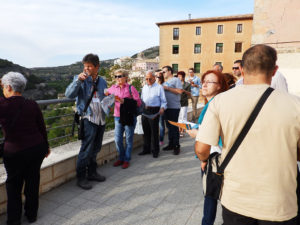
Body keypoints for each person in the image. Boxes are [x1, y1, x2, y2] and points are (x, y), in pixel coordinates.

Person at [195, 44, 300, 224]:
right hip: (279, 201)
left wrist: (204, 160)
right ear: (274, 71)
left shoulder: (220, 102)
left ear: (242, 70)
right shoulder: (295, 104)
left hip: (236, 199)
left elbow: (202, 148)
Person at [0, 72, 50, 225]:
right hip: (37, 148)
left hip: (14, 152)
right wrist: (46, 146)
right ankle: (31, 215)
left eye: (3, 86)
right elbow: (42, 127)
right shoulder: (32, 104)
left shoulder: (3, 105)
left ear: (8, 87)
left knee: (14, 186)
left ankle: (14, 220)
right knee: (32, 181)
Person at [186, 70, 228, 225]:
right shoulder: (211, 104)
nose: (204, 84)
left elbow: (218, 135)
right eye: (204, 80)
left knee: (210, 194)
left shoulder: (216, 105)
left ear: (219, 86)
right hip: (211, 155)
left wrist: (198, 134)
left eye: (210, 81)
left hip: (213, 157)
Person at [65, 53, 107, 190]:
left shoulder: (102, 81)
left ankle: (92, 173)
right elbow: (69, 95)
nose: (86, 69)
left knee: (96, 148)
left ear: (97, 67)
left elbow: (105, 97)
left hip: (100, 118)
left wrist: (110, 101)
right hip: (88, 118)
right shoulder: (79, 79)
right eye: (85, 66)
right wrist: (78, 81)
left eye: (89, 66)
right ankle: (81, 178)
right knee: (86, 149)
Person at [106, 69, 141, 169]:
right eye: (116, 76)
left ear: (125, 77)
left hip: (129, 116)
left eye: (120, 76)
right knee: (118, 139)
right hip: (117, 116)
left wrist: (124, 101)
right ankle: (121, 157)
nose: (118, 78)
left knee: (129, 139)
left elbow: (137, 102)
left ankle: (126, 159)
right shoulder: (113, 88)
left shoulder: (131, 88)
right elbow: (106, 94)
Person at [138, 71, 167, 158]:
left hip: (155, 111)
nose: (148, 80)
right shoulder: (144, 87)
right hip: (145, 111)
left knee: (154, 132)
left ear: (154, 78)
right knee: (145, 131)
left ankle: (155, 150)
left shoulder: (159, 87)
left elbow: (164, 101)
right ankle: (146, 149)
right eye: (146, 78)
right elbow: (142, 99)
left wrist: (162, 108)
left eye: (150, 78)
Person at [162, 66, 182, 155]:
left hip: (174, 107)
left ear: (169, 71)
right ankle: (171, 144)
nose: (163, 73)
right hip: (166, 107)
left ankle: (176, 146)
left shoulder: (176, 80)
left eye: (164, 72)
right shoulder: (164, 82)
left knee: (174, 127)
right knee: (169, 127)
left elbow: (180, 91)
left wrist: (167, 88)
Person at [177, 71, 191, 137]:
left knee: (183, 117)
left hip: (184, 103)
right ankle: (179, 130)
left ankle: (182, 131)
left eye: (180, 76)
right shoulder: (176, 84)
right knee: (179, 117)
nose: (179, 77)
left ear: (183, 77)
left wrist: (184, 91)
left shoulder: (187, 84)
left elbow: (190, 94)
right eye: (178, 76)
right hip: (177, 102)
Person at [155, 70, 166, 146]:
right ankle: (155, 139)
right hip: (153, 107)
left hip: (161, 107)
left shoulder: (164, 85)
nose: (157, 77)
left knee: (161, 124)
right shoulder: (152, 85)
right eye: (155, 76)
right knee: (154, 125)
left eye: (158, 76)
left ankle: (161, 139)